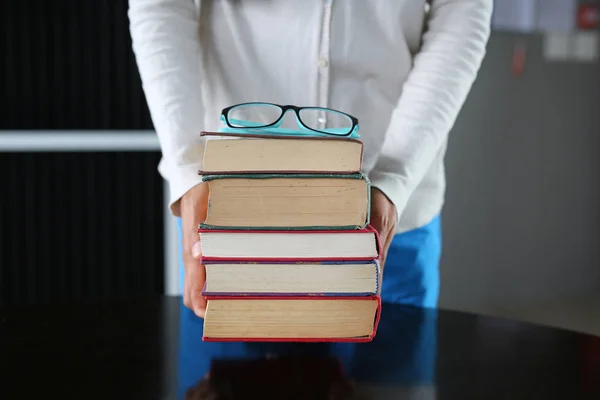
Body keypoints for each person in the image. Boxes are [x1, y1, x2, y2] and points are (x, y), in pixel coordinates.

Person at [129, 0, 492, 318]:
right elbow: (161, 5)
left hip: (388, 207)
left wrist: (396, 173)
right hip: (230, 214)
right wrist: (189, 169)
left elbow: (461, 10)